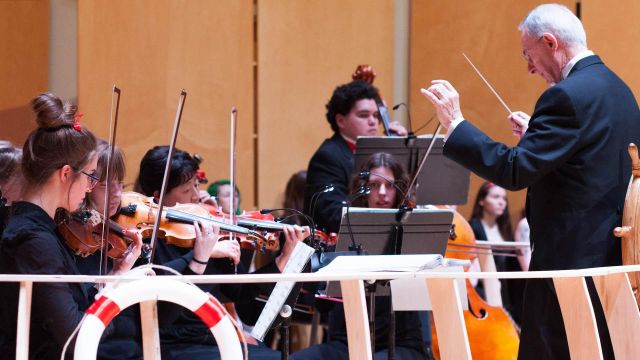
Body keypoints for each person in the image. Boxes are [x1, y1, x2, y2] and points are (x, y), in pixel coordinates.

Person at [421, 4, 640, 359]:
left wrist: (457, 124)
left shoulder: (566, 95)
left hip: (567, 267)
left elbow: (514, 171)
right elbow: (589, 164)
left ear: (550, 42)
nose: (528, 67)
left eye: (528, 54)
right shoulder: (620, 90)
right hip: (611, 263)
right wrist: (537, 139)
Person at [0, 93, 144, 359]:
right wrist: (119, 287)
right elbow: (78, 338)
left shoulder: (42, 231)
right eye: (91, 176)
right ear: (66, 174)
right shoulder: (33, 241)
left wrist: (115, 274)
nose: (90, 187)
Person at [136, 145, 308, 360]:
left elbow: (239, 293)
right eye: (186, 190)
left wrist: (283, 259)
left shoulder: (205, 229)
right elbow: (166, 311)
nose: (196, 196)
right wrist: (199, 256)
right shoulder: (145, 240)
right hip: (171, 344)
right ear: (159, 195)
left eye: (196, 186)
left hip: (210, 337)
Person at [293, 152, 427, 359]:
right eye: (374, 185)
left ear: (399, 189)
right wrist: (326, 266)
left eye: (390, 185)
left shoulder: (413, 235)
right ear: (364, 189)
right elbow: (322, 305)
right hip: (345, 343)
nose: (382, 193)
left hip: (401, 342)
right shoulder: (344, 232)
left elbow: (421, 297)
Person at [304, 80, 407, 234]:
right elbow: (334, 215)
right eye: (363, 115)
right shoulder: (327, 157)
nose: (373, 122)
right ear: (340, 120)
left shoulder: (384, 156)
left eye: (376, 115)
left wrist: (401, 150)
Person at [468, 181, 524, 325]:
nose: (501, 202)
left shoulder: (504, 229)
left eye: (504, 199)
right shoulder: (474, 227)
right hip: (484, 294)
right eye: (496, 197)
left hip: (505, 294)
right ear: (481, 200)